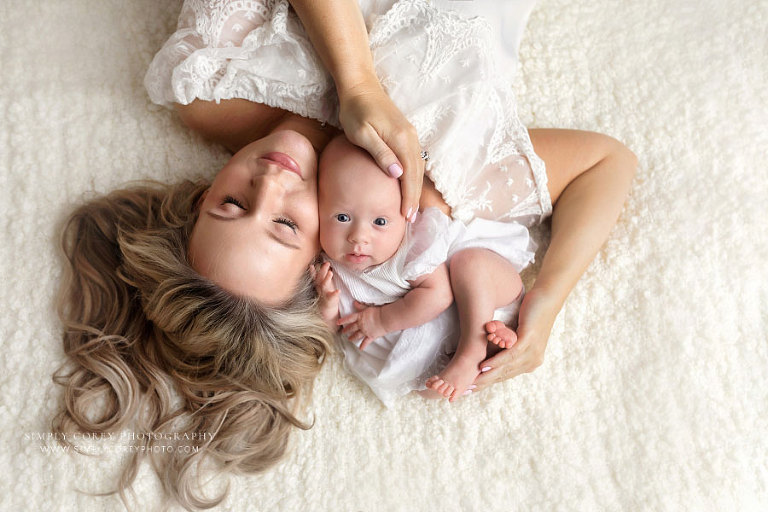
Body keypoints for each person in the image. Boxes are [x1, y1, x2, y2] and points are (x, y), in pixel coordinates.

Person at [54, 0, 637, 508]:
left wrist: (358, 83)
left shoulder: (211, 87)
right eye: (285, 224)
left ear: (202, 197)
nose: (269, 182)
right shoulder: (435, 182)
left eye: (230, 204)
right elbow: (608, 163)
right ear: (325, 264)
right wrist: (548, 299)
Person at [314, 135, 535, 404]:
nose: (359, 237)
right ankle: (492, 346)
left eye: (380, 221)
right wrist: (326, 310)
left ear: (407, 215)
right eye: (342, 217)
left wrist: (382, 321)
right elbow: (328, 334)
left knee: (470, 264)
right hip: (435, 354)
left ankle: (473, 349)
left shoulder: (411, 247)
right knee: (427, 390)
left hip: (492, 293)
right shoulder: (328, 270)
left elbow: (438, 295)